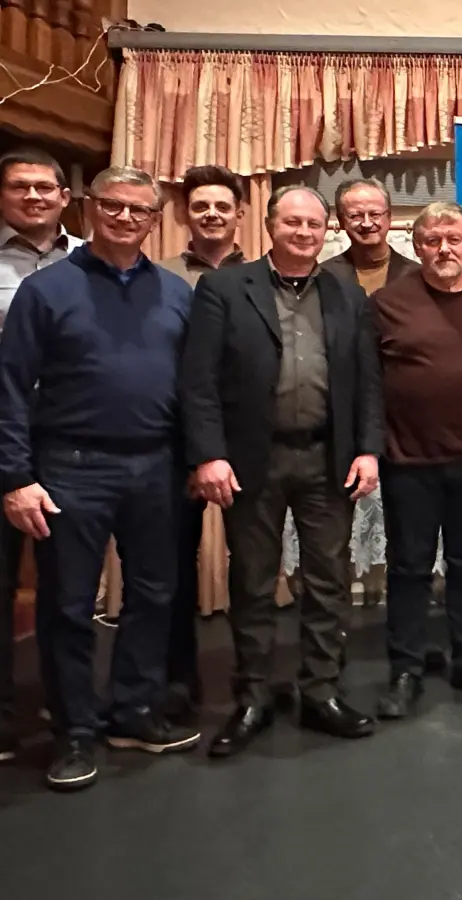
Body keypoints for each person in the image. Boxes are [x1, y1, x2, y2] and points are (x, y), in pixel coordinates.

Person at [0, 166, 197, 792]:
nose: (126, 218)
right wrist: (15, 475)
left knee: (154, 596)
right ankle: (75, 731)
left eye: (140, 210)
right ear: (88, 208)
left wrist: (195, 458)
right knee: (67, 605)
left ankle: (132, 713)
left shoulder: (175, 293)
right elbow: (8, 387)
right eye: (113, 205)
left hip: (157, 466)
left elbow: (195, 389)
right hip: (70, 468)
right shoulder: (47, 290)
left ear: (154, 218)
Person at [182, 185, 383, 757]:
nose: (303, 232)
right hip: (251, 461)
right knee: (251, 581)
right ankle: (252, 697)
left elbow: (367, 381)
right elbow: (198, 381)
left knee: (327, 581)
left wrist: (368, 449)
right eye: (292, 222)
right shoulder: (223, 288)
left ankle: (320, 691)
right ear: (270, 225)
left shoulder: (346, 294)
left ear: (327, 231)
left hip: (328, 459)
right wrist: (209, 453)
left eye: (314, 225)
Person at [368, 201, 462, 719]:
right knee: (408, 568)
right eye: (432, 240)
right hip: (408, 461)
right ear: (416, 244)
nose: (443, 248)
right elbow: (368, 383)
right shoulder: (388, 303)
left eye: (454, 238)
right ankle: (404, 668)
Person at [156, 163, 249, 722]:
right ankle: (176, 680)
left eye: (221, 206)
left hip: (250, 444)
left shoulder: (265, 274)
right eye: (200, 206)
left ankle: (254, 682)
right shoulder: (160, 277)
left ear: (240, 214)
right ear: (182, 214)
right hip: (177, 446)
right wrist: (197, 451)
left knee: (256, 570)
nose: (211, 214)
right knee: (171, 569)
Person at [0, 146, 80, 763]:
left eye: (44, 188)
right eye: (21, 187)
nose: (34, 197)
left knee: (63, 587)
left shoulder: (91, 261)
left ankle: (66, 702)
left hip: (65, 442)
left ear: (63, 197)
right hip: (4, 434)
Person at [321, 178, 421, 295]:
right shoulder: (324, 276)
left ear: (389, 217)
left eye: (375, 214)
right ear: (341, 221)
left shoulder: (417, 276)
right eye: (356, 216)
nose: (367, 224)